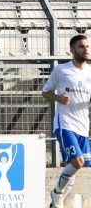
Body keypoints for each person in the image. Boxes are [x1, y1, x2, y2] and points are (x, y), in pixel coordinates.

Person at [42, 34, 91, 208]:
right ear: (72, 50)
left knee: (76, 165)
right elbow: (45, 92)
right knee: (78, 161)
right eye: (81, 46)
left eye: (87, 46)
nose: (85, 49)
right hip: (65, 124)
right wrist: (58, 98)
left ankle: (56, 202)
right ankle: (56, 193)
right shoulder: (61, 70)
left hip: (83, 126)